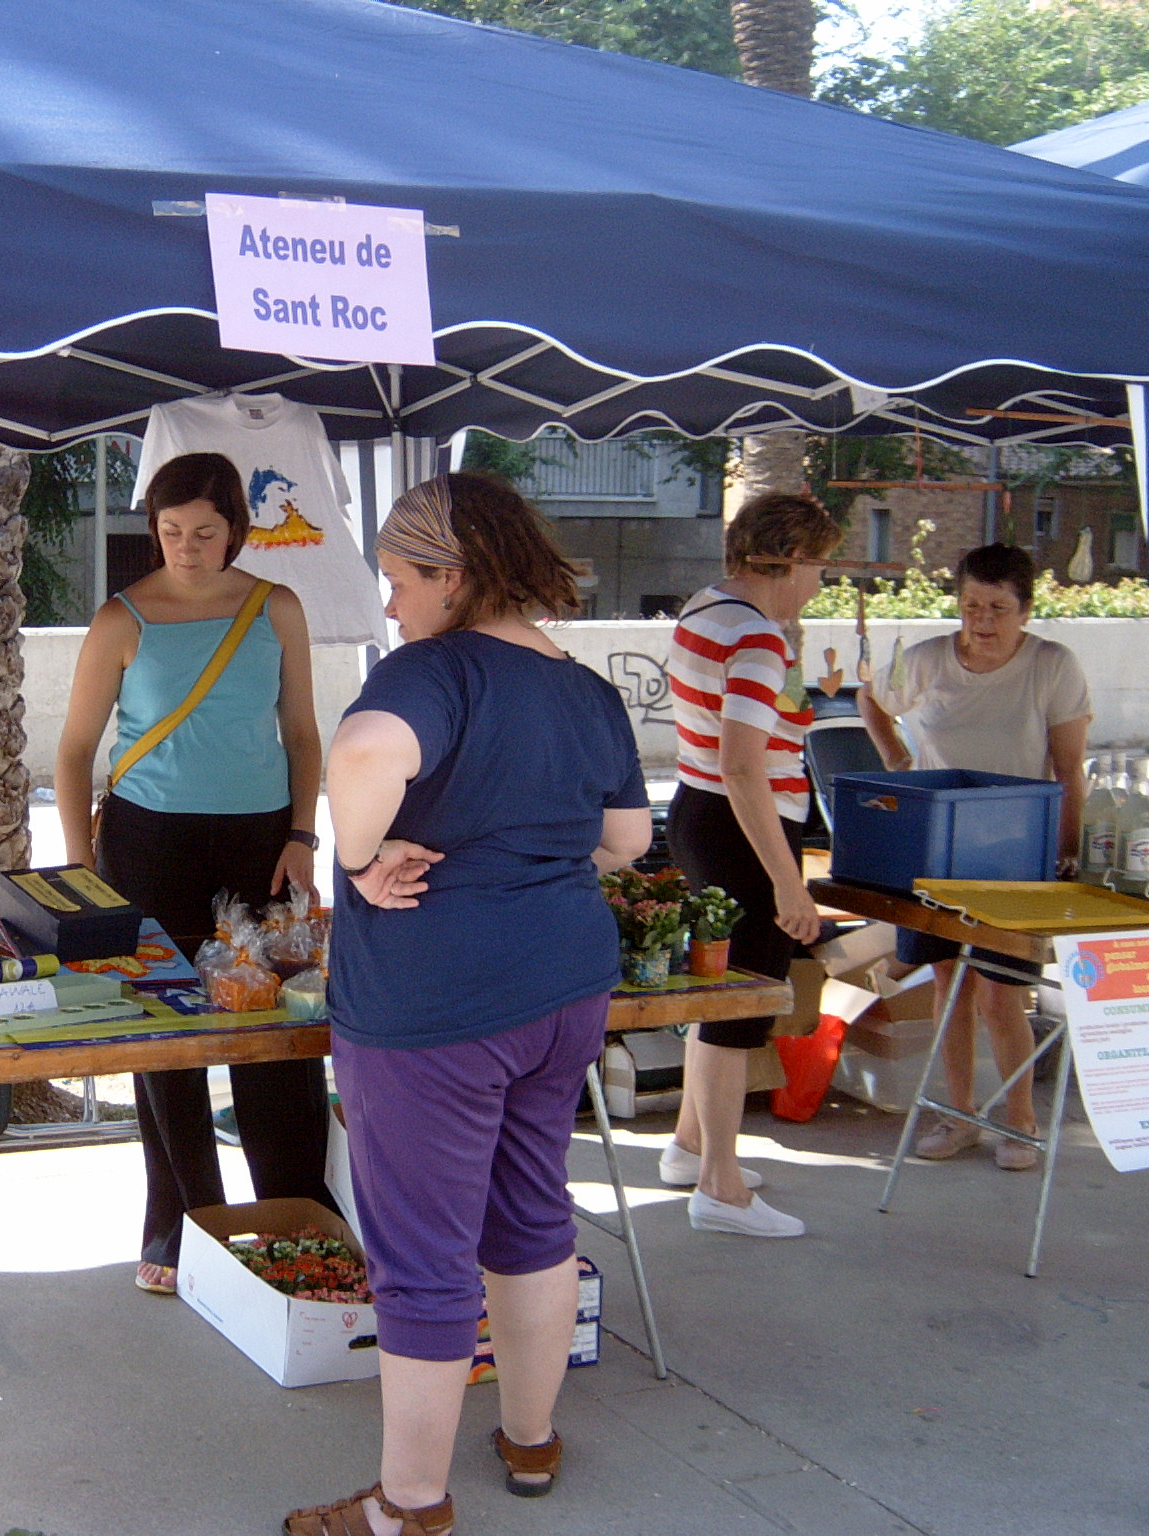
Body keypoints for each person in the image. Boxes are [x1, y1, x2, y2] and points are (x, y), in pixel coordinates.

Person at [287, 474, 651, 1536]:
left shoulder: (431, 670)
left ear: (451, 577)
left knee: (422, 1254)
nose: (390, 603)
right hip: (563, 987)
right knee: (532, 1214)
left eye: (399, 580)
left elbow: (363, 753)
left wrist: (360, 857)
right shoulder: (582, 688)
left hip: (435, 1004)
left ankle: (409, 1504)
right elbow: (626, 840)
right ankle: (530, 1440)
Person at [55, 451, 333, 1296]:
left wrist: (302, 834)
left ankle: (295, 1215)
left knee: (274, 1031)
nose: (187, 547)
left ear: (236, 531)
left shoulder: (276, 607)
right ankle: (181, 1222)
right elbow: (73, 751)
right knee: (165, 1037)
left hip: (261, 841)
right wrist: (81, 872)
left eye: (205, 532)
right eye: (171, 531)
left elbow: (303, 734)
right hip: (147, 843)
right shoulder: (122, 618)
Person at [858, 543, 1091, 1171]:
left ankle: (1020, 1120)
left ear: (1026, 610)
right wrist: (897, 760)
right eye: (970, 606)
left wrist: (1069, 852)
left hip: (1016, 854)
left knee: (1000, 993)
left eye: (998, 608)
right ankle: (956, 1113)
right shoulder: (927, 659)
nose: (982, 621)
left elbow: (1069, 768)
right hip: (933, 847)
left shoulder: (1052, 665)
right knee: (947, 984)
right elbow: (871, 698)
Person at [660, 492, 843, 1239]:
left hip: (698, 812)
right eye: (819, 567)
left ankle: (690, 1146)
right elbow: (744, 766)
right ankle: (720, 1186)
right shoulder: (759, 638)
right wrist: (788, 884)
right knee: (736, 1009)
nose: (820, 583)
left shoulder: (706, 607)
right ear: (791, 560)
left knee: (718, 993)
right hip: (743, 828)